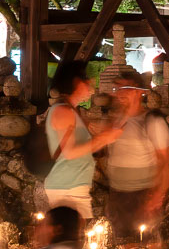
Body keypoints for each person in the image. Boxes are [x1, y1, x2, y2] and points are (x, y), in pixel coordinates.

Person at [103, 80, 169, 249]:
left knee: (152, 242)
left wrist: (159, 194)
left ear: (138, 92)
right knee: (127, 243)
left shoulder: (151, 121)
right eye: (117, 89)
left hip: (145, 191)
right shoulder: (116, 121)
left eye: (125, 89)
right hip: (119, 191)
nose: (119, 94)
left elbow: (166, 161)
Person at [41, 59, 122, 220]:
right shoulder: (63, 111)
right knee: (74, 240)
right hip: (67, 188)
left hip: (72, 186)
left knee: (76, 239)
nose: (91, 89)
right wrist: (103, 139)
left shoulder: (71, 110)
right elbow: (70, 152)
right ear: (76, 82)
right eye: (87, 81)